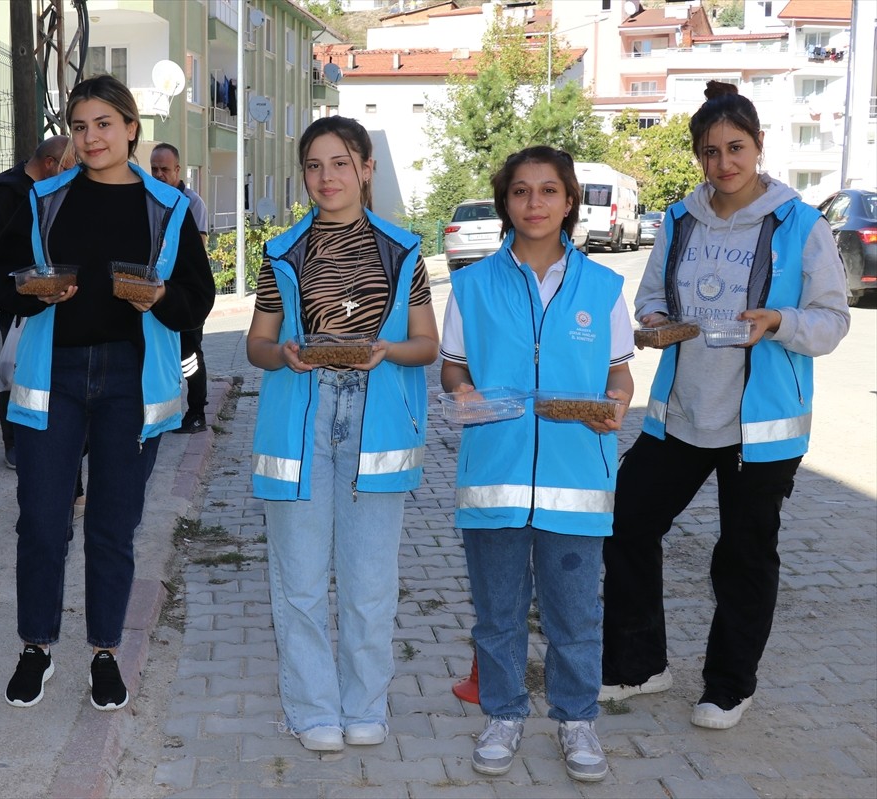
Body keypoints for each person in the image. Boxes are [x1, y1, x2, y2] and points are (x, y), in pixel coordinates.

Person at [600, 81, 850, 730]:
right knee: (625, 519)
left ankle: (729, 685)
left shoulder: (801, 224)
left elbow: (831, 320)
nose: (724, 164)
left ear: (760, 146)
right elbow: (650, 295)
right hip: (683, 412)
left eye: (735, 147)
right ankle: (640, 663)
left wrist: (781, 321)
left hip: (760, 428)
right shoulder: (680, 220)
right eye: (709, 152)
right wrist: (654, 321)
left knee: (742, 555)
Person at [0, 75, 214, 711]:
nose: (91, 138)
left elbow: (199, 298)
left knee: (113, 526)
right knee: (41, 520)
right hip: (50, 375)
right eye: (80, 127)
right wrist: (31, 291)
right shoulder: (42, 200)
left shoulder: (168, 207)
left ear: (131, 128)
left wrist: (159, 297)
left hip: (130, 381)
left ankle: (105, 652)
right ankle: (36, 646)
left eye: (104, 125)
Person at [440, 145, 634, 782]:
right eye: (521, 192)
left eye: (548, 191)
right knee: (496, 614)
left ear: (570, 201)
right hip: (493, 477)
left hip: (576, 480)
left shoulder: (603, 287)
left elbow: (617, 373)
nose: (534, 204)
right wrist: (462, 392)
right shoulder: (470, 285)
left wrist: (617, 403)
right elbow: (454, 366)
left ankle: (577, 721)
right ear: (506, 202)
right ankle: (503, 713)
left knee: (574, 617)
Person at [247, 116, 439, 752]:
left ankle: (365, 706)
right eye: (313, 165)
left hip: (375, 429)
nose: (326, 177)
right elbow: (257, 345)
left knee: (369, 583)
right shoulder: (281, 251)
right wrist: (288, 355)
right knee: (298, 581)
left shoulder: (404, 249)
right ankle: (311, 711)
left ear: (365, 169)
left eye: (339, 163)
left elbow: (426, 346)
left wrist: (385, 351)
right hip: (295, 432)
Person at [0, 134, 70, 470]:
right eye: (66, 167)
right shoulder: (13, 190)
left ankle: (41, 433)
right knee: (13, 366)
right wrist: (27, 285)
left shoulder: (43, 188)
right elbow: (0, 249)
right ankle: (12, 442)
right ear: (49, 163)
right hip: (16, 294)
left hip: (46, 291)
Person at [149, 142, 212, 434]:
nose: (159, 175)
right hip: (155, 296)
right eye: (154, 169)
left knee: (189, 356)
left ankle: (197, 412)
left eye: (165, 169)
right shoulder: (150, 200)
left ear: (177, 170)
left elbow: (194, 251)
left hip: (183, 294)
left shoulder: (190, 203)